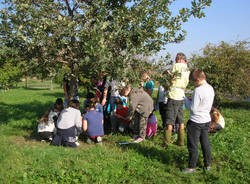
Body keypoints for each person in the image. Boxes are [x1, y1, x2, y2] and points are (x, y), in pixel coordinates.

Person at [182, 69, 214, 173]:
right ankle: (207, 165)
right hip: (206, 120)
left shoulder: (198, 90)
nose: (193, 85)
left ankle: (191, 167)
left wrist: (185, 99)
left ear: (198, 80)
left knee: (193, 145)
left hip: (195, 122)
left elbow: (193, 109)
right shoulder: (210, 88)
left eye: (193, 82)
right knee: (205, 143)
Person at [164, 52, 190, 147]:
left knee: (169, 120)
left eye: (176, 58)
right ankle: (181, 141)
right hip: (181, 94)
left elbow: (172, 79)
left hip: (174, 94)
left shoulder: (176, 66)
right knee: (181, 120)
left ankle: (166, 143)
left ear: (178, 58)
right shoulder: (187, 68)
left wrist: (167, 76)